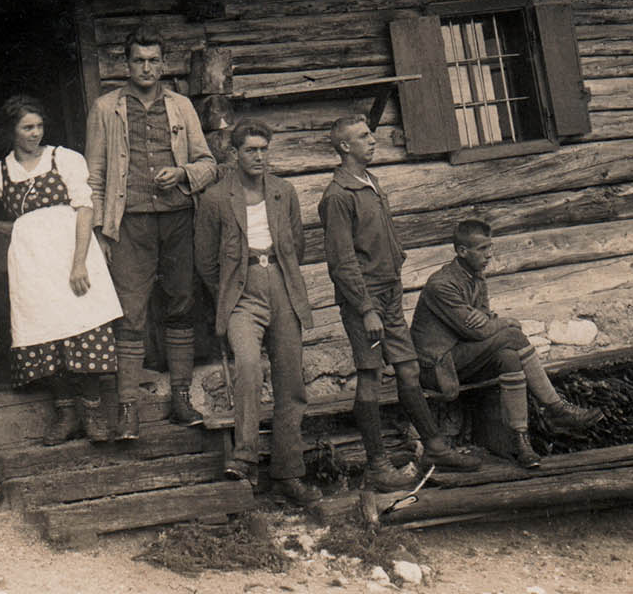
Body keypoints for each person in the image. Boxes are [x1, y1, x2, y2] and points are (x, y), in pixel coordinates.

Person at [319, 115, 485, 485]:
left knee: (408, 369)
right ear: (345, 147)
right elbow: (342, 262)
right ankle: (378, 467)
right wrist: (365, 309)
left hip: (390, 295)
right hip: (366, 301)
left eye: (371, 134)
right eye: (363, 137)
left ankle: (437, 448)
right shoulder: (338, 195)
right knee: (370, 376)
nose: (373, 140)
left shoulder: (371, 182)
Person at [84, 28, 219, 437]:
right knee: (129, 312)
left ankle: (181, 396)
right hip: (129, 222)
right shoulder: (106, 108)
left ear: (163, 64)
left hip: (179, 218)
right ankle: (127, 408)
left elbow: (209, 164)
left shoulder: (181, 107)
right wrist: (99, 231)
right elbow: (94, 175)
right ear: (126, 64)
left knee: (181, 305)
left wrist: (182, 173)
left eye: (153, 60)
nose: (146, 67)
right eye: (138, 60)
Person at [196, 119, 321, 507]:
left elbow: (296, 245)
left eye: (264, 149)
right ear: (234, 154)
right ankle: (245, 455)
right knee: (248, 365)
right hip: (241, 294)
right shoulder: (216, 198)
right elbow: (205, 261)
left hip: (283, 286)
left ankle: (289, 471)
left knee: (290, 379)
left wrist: (278, 276)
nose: (259, 157)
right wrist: (233, 290)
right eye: (251, 150)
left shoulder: (284, 192)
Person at [0, 96, 124, 445]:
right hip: (32, 264)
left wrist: (79, 262)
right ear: (11, 132)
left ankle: (92, 412)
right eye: (26, 127)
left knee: (83, 324)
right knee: (45, 330)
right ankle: (65, 413)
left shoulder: (64, 159)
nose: (35, 133)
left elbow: (85, 209)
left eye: (39, 126)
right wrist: (12, 228)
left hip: (71, 255)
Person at [412, 219, 603, 467]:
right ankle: (555, 409)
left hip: (462, 357)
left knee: (509, 357)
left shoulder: (476, 278)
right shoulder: (441, 284)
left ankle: (520, 441)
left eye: (490, 247)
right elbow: (481, 330)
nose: (489, 254)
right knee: (512, 335)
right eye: (482, 249)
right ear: (462, 251)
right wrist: (507, 322)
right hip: (436, 367)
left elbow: (484, 323)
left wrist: (492, 323)